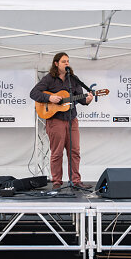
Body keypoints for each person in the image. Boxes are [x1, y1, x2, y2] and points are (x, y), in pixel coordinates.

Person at [30, 52, 93, 189]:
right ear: (56, 63)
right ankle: (57, 182)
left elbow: (81, 99)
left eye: (68, 61)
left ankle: (75, 181)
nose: (67, 64)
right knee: (57, 152)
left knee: (75, 151)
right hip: (55, 120)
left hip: (72, 119)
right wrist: (49, 98)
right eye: (64, 61)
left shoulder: (74, 80)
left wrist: (87, 100)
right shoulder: (49, 79)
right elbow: (33, 93)